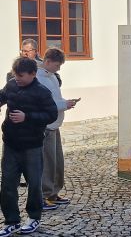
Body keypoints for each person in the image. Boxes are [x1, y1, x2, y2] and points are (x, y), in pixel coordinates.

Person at [0, 57, 58, 236]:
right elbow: (2, 96)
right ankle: (11, 221)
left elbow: (51, 114)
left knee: (34, 184)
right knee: (8, 184)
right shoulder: (11, 84)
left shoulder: (41, 91)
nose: (17, 78)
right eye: (15, 74)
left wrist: (28, 116)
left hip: (32, 146)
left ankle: (33, 217)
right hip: (10, 144)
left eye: (21, 75)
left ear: (33, 74)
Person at [36, 48, 77, 211]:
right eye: (57, 65)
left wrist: (65, 102)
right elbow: (43, 104)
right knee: (47, 163)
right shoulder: (38, 77)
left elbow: (54, 98)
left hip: (54, 124)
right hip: (45, 126)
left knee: (57, 161)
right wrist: (64, 105)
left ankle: (53, 193)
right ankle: (44, 196)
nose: (59, 69)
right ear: (47, 61)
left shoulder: (51, 76)